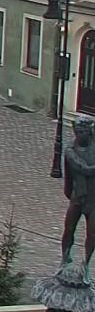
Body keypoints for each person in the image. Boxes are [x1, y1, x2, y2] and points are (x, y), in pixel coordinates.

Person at [61, 115, 95, 272]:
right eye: (77, 131)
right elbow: (84, 169)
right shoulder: (70, 151)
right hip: (78, 195)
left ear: (89, 131)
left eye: (82, 131)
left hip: (94, 198)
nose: (78, 134)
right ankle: (65, 258)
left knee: (92, 233)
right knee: (68, 228)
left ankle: (86, 264)